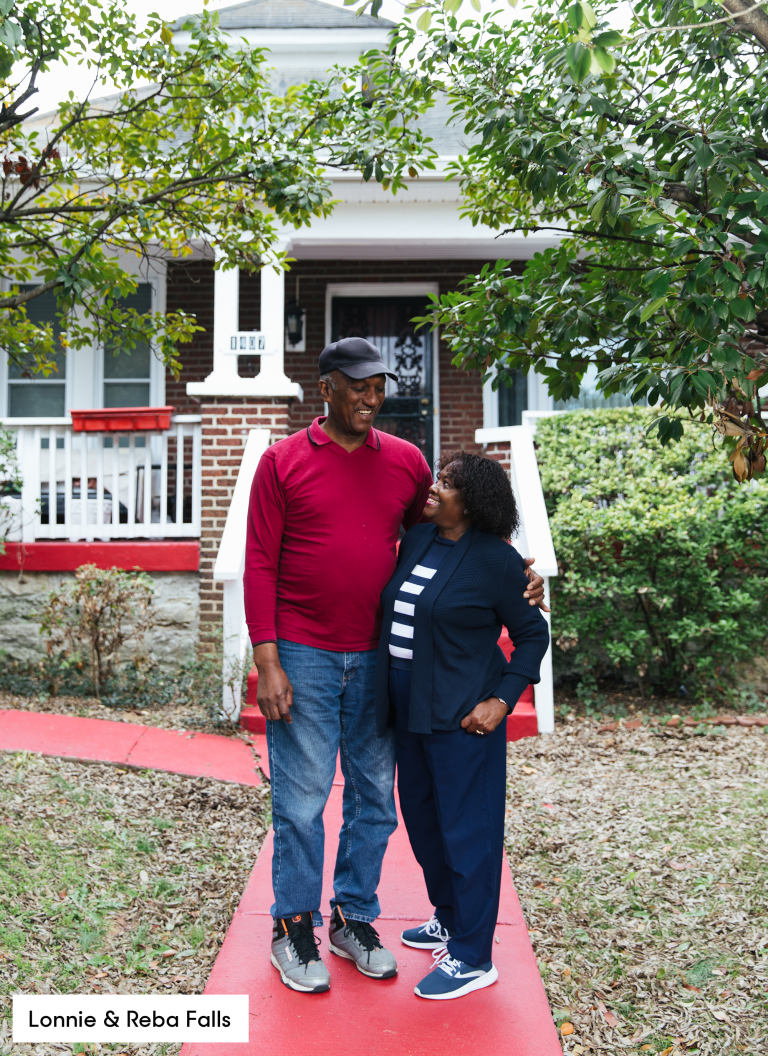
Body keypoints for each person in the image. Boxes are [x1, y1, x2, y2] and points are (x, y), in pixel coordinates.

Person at [244, 336, 548, 994]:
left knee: (376, 800)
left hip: (381, 660)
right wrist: (266, 658)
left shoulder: (407, 463)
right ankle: (292, 929)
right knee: (299, 801)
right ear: (325, 388)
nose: (372, 398)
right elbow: (260, 560)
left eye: (379, 386)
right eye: (358, 386)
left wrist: (513, 572)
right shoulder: (281, 462)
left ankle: (354, 916)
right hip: (303, 651)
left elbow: (448, 533)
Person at [374, 451, 550, 1000]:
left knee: (467, 833)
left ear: (471, 502)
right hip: (409, 710)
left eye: (447, 484)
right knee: (424, 825)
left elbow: (532, 636)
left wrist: (501, 699)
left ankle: (474, 957)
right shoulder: (420, 540)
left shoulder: (497, 562)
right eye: (437, 477)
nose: (434, 487)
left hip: (464, 718)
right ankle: (449, 919)